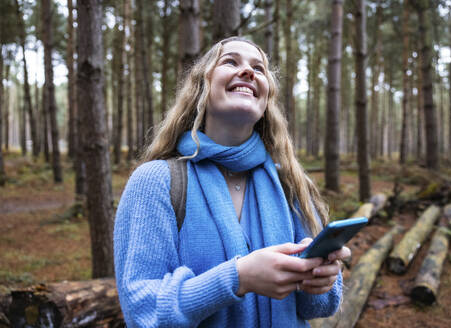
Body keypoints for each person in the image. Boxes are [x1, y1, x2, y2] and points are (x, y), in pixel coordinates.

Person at [114, 36, 351, 327]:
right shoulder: (155, 182)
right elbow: (142, 310)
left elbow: (321, 306)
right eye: (230, 62)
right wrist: (238, 278)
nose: (249, 72)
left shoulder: (289, 182)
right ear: (202, 86)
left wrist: (321, 279)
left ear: (266, 100)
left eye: (259, 68)